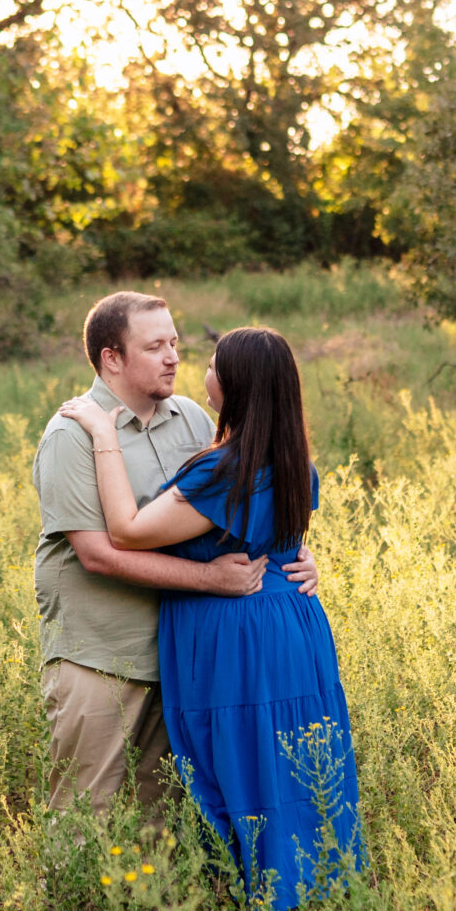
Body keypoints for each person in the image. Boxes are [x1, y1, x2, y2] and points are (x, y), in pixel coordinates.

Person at [56, 324, 364, 911]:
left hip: (239, 635)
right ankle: (311, 892)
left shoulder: (227, 471)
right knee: (293, 761)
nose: (198, 369)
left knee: (238, 761)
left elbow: (126, 531)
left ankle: (259, 900)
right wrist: (303, 561)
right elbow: (280, 537)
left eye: (213, 363)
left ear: (235, 383)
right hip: (293, 626)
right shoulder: (291, 458)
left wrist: (101, 432)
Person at [31, 292, 320, 820]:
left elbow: (239, 497)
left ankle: (154, 907)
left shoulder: (190, 418)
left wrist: (290, 552)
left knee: (162, 816)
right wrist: (209, 579)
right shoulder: (71, 435)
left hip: (183, 654)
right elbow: (98, 554)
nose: (173, 357)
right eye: (154, 346)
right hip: (102, 652)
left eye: (175, 343)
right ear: (111, 358)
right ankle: (70, 907)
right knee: (84, 812)